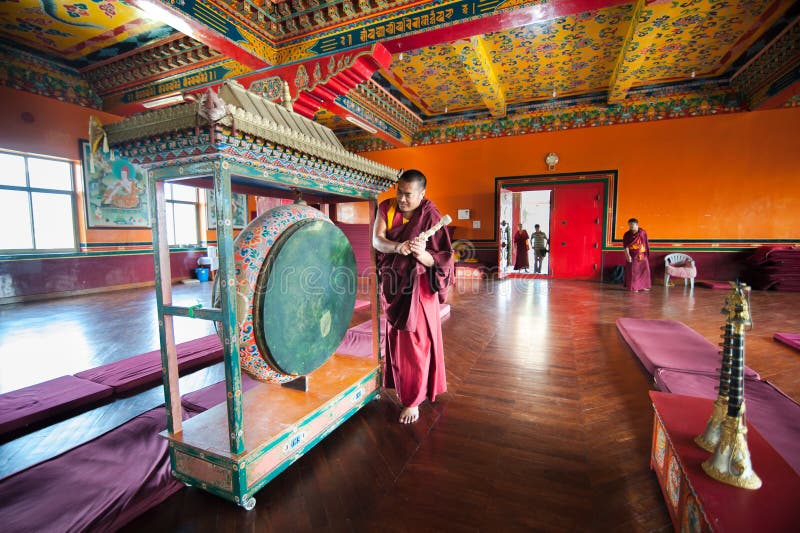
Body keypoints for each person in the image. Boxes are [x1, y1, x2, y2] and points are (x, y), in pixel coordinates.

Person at [373, 169, 454, 424]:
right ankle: (400, 384)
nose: (402, 199)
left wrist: (421, 254)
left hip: (419, 288)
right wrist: (399, 246)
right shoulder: (386, 207)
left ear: (422, 194)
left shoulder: (431, 216)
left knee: (418, 343)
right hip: (394, 284)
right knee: (397, 340)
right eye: (399, 192)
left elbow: (442, 261)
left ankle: (414, 400)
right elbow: (378, 240)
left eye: (408, 195)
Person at [623, 217, 651, 291]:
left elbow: (645, 243)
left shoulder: (642, 232)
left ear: (637, 224)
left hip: (642, 254)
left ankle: (643, 286)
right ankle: (634, 287)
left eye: (632, 225)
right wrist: (627, 256)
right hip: (633, 255)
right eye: (629, 225)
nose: (631, 227)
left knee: (645, 271)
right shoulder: (627, 235)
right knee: (633, 272)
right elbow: (625, 246)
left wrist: (645, 253)